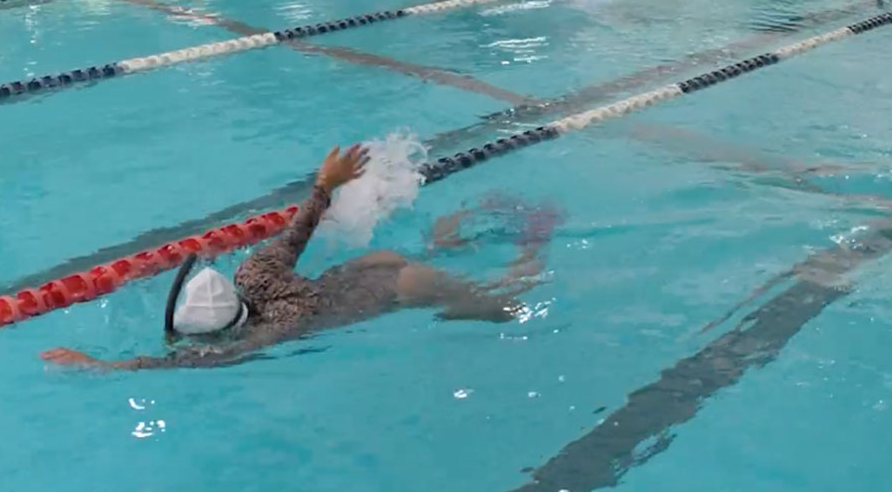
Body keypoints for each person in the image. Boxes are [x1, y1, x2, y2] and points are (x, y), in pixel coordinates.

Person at [41, 145, 556, 371]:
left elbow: (189, 363)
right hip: (365, 268)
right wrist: (324, 185)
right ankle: (447, 242)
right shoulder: (254, 271)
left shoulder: (271, 333)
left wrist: (105, 365)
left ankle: (535, 240)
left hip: (395, 289)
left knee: (507, 306)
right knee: (442, 276)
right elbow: (298, 232)